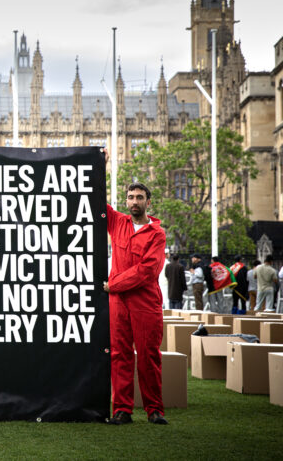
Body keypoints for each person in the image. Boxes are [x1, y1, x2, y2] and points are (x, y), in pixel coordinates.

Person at [102, 157, 168, 425]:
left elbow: (148, 271)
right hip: (119, 303)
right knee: (119, 355)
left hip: (144, 302)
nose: (134, 202)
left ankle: (154, 410)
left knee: (149, 356)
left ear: (147, 202)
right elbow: (95, 199)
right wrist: (100, 165)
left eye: (139, 197)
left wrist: (113, 284)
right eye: (130, 197)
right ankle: (122, 409)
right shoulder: (117, 222)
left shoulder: (157, 233)